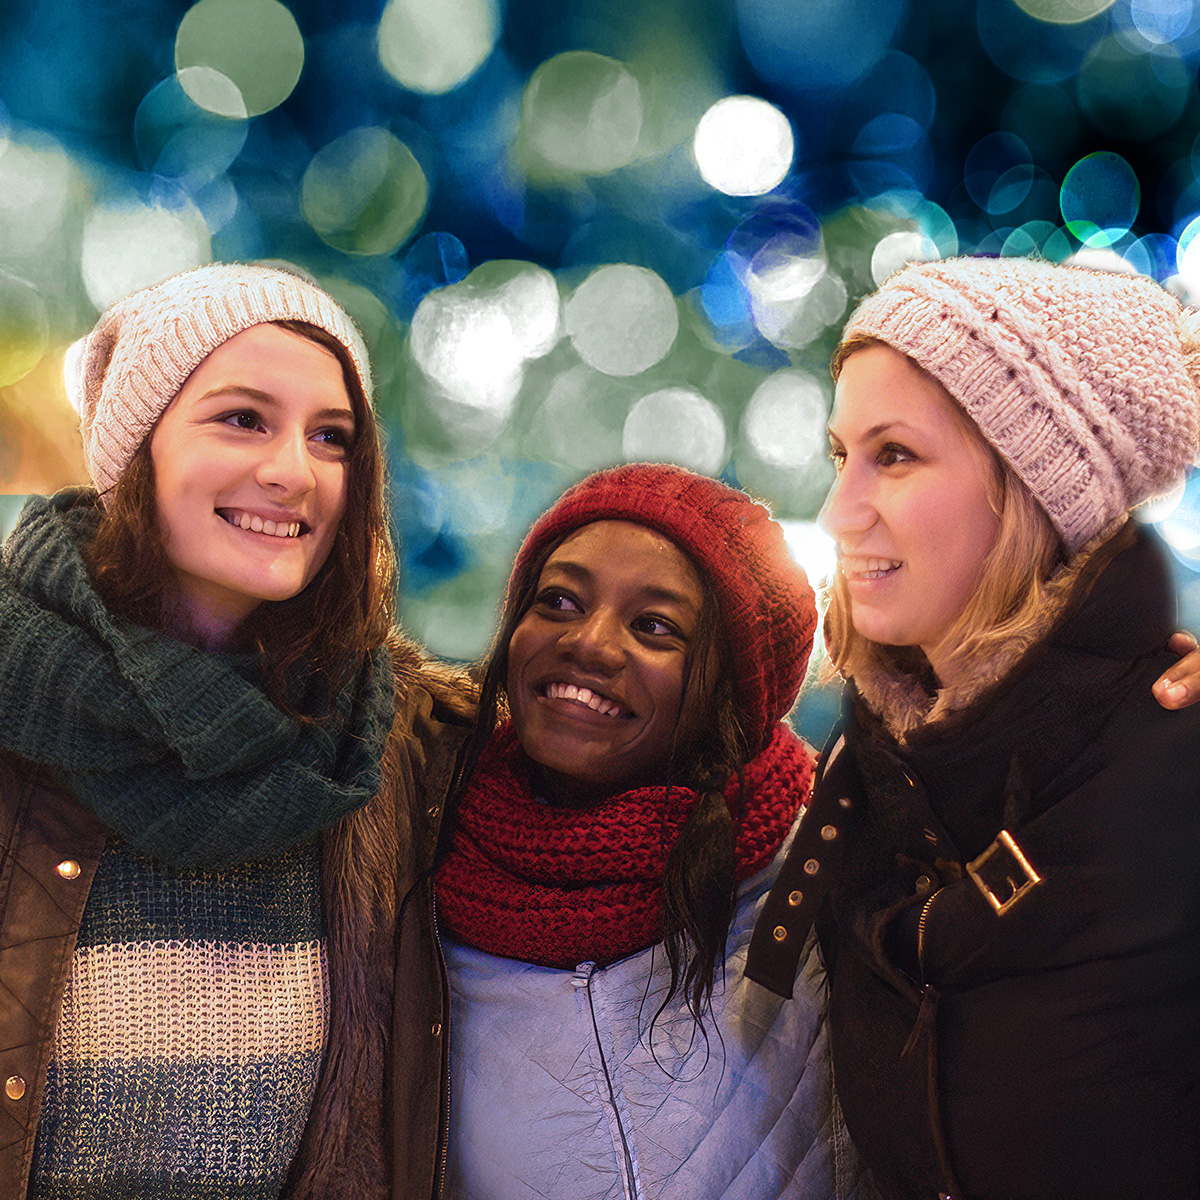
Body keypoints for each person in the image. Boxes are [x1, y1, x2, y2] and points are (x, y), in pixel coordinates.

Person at [0, 263, 471, 1200]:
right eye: (242, 418)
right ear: (139, 449)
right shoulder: (17, 697)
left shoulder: (404, 739)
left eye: (332, 437)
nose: (294, 472)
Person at [748, 256, 1200, 1200]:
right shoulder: (867, 770)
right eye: (841, 455)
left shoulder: (1178, 757)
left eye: (896, 455)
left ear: (1037, 488)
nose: (838, 510)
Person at [432, 463, 873, 1200]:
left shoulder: (827, 871)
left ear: (732, 691)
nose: (592, 644)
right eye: (559, 601)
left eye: (655, 627)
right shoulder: (420, 873)